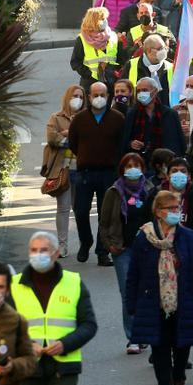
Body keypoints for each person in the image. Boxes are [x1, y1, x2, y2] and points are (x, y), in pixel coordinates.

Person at [126, 191, 193, 385]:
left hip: (184, 300)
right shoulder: (144, 237)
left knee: (182, 346)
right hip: (154, 302)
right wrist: (131, 303)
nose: (175, 212)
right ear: (158, 212)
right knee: (159, 347)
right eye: (170, 209)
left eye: (177, 208)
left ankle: (179, 378)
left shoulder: (188, 237)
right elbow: (134, 273)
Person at [12, 232, 98, 385]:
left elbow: (89, 325)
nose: (39, 254)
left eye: (44, 250)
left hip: (64, 368)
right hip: (28, 368)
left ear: (57, 253)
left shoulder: (73, 282)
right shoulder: (14, 285)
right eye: (34, 250)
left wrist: (65, 344)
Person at [97, 153, 155, 355]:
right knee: (127, 292)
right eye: (128, 165)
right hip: (123, 250)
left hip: (148, 248)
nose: (132, 168)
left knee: (147, 291)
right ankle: (133, 337)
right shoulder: (114, 191)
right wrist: (109, 245)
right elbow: (103, 223)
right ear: (122, 169)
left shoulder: (150, 190)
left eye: (136, 165)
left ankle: (146, 332)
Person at [67, 82, 125, 265]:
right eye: (95, 94)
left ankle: (102, 251)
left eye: (102, 94)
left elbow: (121, 144)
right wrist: (86, 156)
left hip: (109, 173)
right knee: (81, 211)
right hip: (85, 172)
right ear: (89, 97)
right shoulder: (79, 119)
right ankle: (86, 242)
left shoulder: (117, 118)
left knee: (105, 214)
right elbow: (73, 143)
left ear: (108, 96)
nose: (98, 98)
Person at [43, 85, 85, 257]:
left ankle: (85, 244)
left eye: (81, 97)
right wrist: (73, 138)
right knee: (63, 208)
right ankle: (62, 246)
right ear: (67, 97)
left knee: (81, 209)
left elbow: (90, 140)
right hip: (63, 169)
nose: (78, 99)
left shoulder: (87, 118)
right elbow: (52, 138)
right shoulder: (56, 117)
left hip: (82, 168)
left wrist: (69, 134)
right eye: (75, 96)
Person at [120, 77, 184, 169]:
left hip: (165, 164)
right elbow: (124, 140)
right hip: (140, 164)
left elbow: (177, 142)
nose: (141, 93)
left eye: (145, 90)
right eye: (138, 91)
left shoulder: (169, 114)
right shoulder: (132, 114)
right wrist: (131, 143)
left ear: (155, 91)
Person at [71, 6, 123, 89]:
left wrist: (114, 71)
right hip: (90, 83)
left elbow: (120, 58)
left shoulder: (113, 36)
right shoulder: (82, 39)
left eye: (105, 18)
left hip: (111, 82)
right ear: (93, 21)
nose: (105, 21)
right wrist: (89, 74)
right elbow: (75, 62)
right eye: (102, 18)